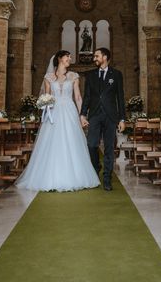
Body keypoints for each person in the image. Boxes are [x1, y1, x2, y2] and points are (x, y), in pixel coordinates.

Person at [15, 50, 100, 192]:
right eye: (68, 56)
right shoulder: (48, 77)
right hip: (53, 112)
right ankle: (50, 176)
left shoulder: (74, 76)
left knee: (72, 141)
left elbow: (78, 97)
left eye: (70, 56)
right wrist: (44, 104)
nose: (70, 58)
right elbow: (47, 96)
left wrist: (82, 115)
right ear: (60, 59)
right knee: (52, 142)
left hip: (69, 111)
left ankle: (75, 177)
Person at [80, 47, 126, 191]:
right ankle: (96, 167)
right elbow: (87, 96)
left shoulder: (117, 74)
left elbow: (120, 98)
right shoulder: (90, 75)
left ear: (105, 57)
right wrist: (82, 114)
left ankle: (107, 178)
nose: (94, 58)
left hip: (111, 117)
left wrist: (122, 119)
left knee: (109, 148)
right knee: (91, 144)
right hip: (94, 115)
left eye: (97, 56)